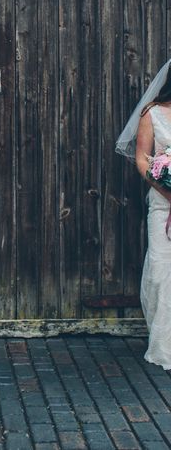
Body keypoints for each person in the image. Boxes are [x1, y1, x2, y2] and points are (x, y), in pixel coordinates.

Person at [116, 58, 171, 370]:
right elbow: (142, 161)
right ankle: (165, 344)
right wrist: (167, 191)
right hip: (163, 203)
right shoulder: (153, 113)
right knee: (162, 270)